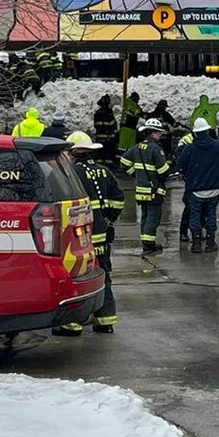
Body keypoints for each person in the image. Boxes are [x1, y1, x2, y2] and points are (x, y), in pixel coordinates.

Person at [63, 131, 122, 334]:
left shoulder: (72, 174)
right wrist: (108, 218)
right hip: (103, 237)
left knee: (78, 278)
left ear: (74, 153)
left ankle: (72, 323)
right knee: (103, 276)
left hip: (81, 239)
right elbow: (118, 198)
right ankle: (105, 321)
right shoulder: (104, 171)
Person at [120, 118, 173, 254]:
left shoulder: (137, 147)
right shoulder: (156, 149)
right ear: (153, 133)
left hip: (141, 190)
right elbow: (163, 172)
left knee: (145, 216)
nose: (160, 135)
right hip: (153, 191)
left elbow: (124, 162)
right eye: (159, 132)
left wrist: (136, 175)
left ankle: (146, 242)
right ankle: (149, 245)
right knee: (153, 217)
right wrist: (170, 164)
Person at [178, 118, 219, 252]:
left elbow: (180, 166)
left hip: (196, 190)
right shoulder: (217, 146)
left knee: (195, 215)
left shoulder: (189, 149)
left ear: (195, 133)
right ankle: (211, 242)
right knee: (211, 215)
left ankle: (197, 243)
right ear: (207, 130)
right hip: (214, 189)